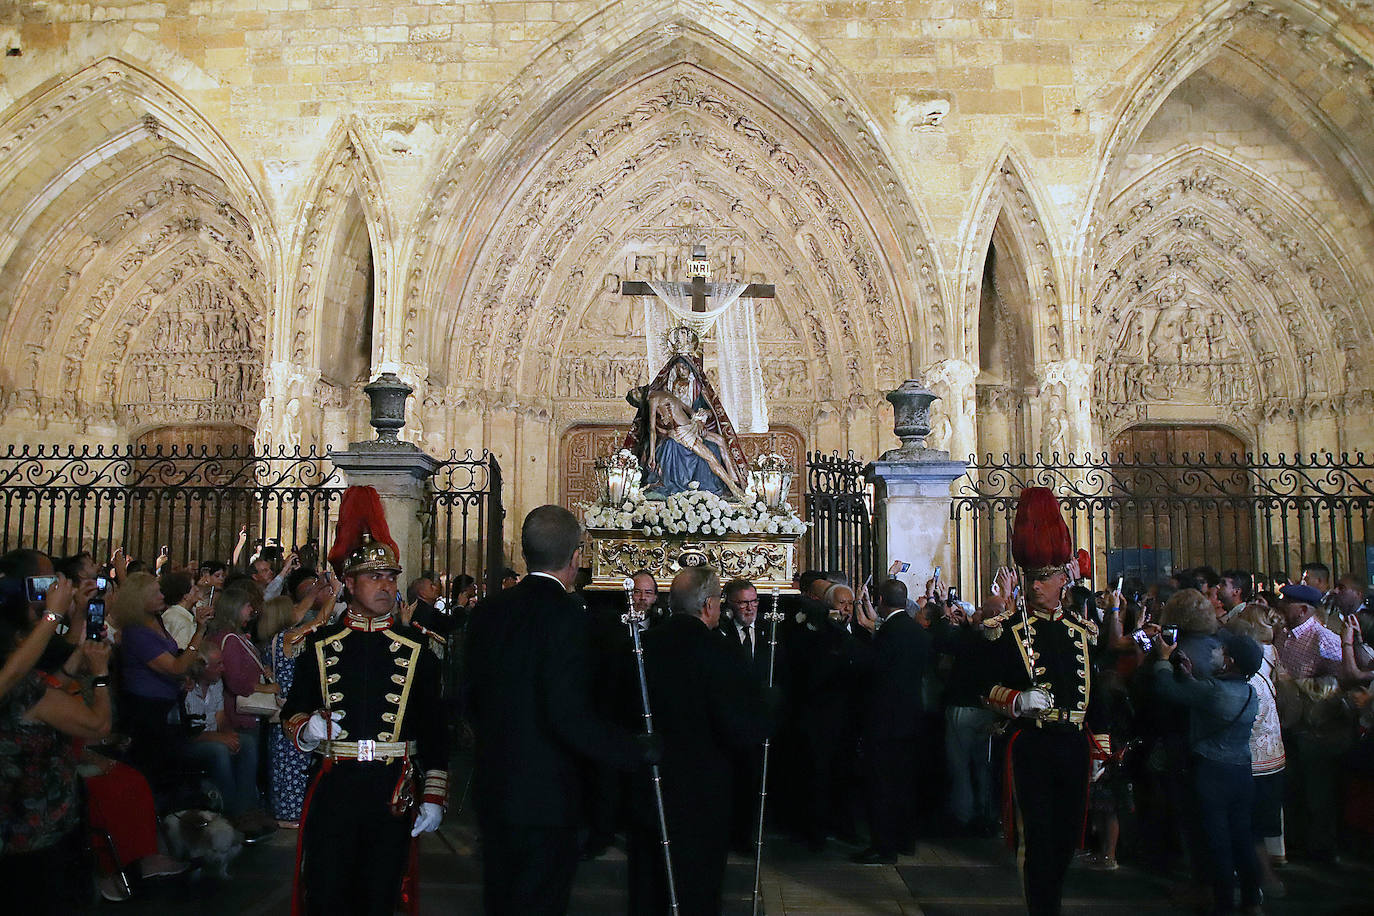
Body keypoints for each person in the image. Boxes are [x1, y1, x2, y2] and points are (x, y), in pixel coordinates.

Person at [463, 505, 651, 915]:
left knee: (500, 899)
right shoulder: (573, 619)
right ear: (576, 556)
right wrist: (631, 752)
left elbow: (469, 697)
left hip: (495, 788)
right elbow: (569, 713)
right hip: (548, 797)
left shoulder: (487, 613)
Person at [281, 486, 449, 915]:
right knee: (328, 890)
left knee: (380, 894)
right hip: (337, 783)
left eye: (391, 578)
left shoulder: (417, 647)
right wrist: (308, 728)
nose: (386, 586)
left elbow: (434, 728)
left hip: (391, 788)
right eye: (375, 577)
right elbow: (293, 711)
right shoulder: (319, 644)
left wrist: (433, 795)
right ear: (350, 584)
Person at [979, 488, 1110, 916]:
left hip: (1072, 744)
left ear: (1063, 582)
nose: (1036, 586)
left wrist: (1102, 748)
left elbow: (1099, 695)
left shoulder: (1083, 631)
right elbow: (984, 687)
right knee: (1038, 836)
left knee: (1069, 834)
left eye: (1046, 579)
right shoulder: (1005, 629)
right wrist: (1017, 700)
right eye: (1032, 579)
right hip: (1033, 743)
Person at [627, 566, 773, 916]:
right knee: (698, 882)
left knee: (651, 879)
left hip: (652, 783)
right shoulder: (720, 652)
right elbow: (738, 727)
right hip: (703, 790)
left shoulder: (643, 646)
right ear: (709, 605)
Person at [0, 569, 113, 914]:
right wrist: (101, 675)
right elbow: (98, 725)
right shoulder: (23, 687)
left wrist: (75, 659)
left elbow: (47, 685)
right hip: (38, 829)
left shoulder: (24, 685)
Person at [1152, 627, 1263, 914]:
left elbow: (1168, 689)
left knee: (1218, 839)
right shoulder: (1249, 692)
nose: (1216, 653)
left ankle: (1223, 903)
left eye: (1223, 652)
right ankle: (1251, 900)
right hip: (1242, 771)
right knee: (1242, 837)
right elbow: (1201, 692)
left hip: (1213, 772)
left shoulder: (1215, 691)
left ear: (1230, 662)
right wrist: (1189, 675)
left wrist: (1163, 660)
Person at [851, 577, 928, 864]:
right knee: (905, 783)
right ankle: (905, 839)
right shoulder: (917, 631)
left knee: (882, 785)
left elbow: (875, 670)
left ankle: (884, 847)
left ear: (881, 601)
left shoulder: (888, 634)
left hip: (884, 722)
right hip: (911, 718)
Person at [113, 571, 210, 778]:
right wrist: (199, 632)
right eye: (155, 593)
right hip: (147, 710)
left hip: (167, 704)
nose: (162, 596)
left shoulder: (155, 620)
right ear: (140, 600)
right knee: (155, 767)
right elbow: (176, 666)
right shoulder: (137, 632)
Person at [182, 641, 272, 842]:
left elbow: (221, 718)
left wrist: (229, 735)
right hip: (193, 742)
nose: (223, 669)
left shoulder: (216, 685)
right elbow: (185, 731)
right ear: (202, 667)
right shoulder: (185, 688)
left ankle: (247, 808)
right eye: (218, 665)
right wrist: (220, 738)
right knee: (218, 751)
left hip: (212, 736)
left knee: (246, 743)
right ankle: (233, 813)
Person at [259, 590, 328, 827]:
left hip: (278, 712)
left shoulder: (271, 641)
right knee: (295, 767)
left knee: (282, 768)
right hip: (292, 711)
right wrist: (333, 595)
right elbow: (318, 623)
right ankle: (293, 814)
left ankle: (284, 811)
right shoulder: (289, 638)